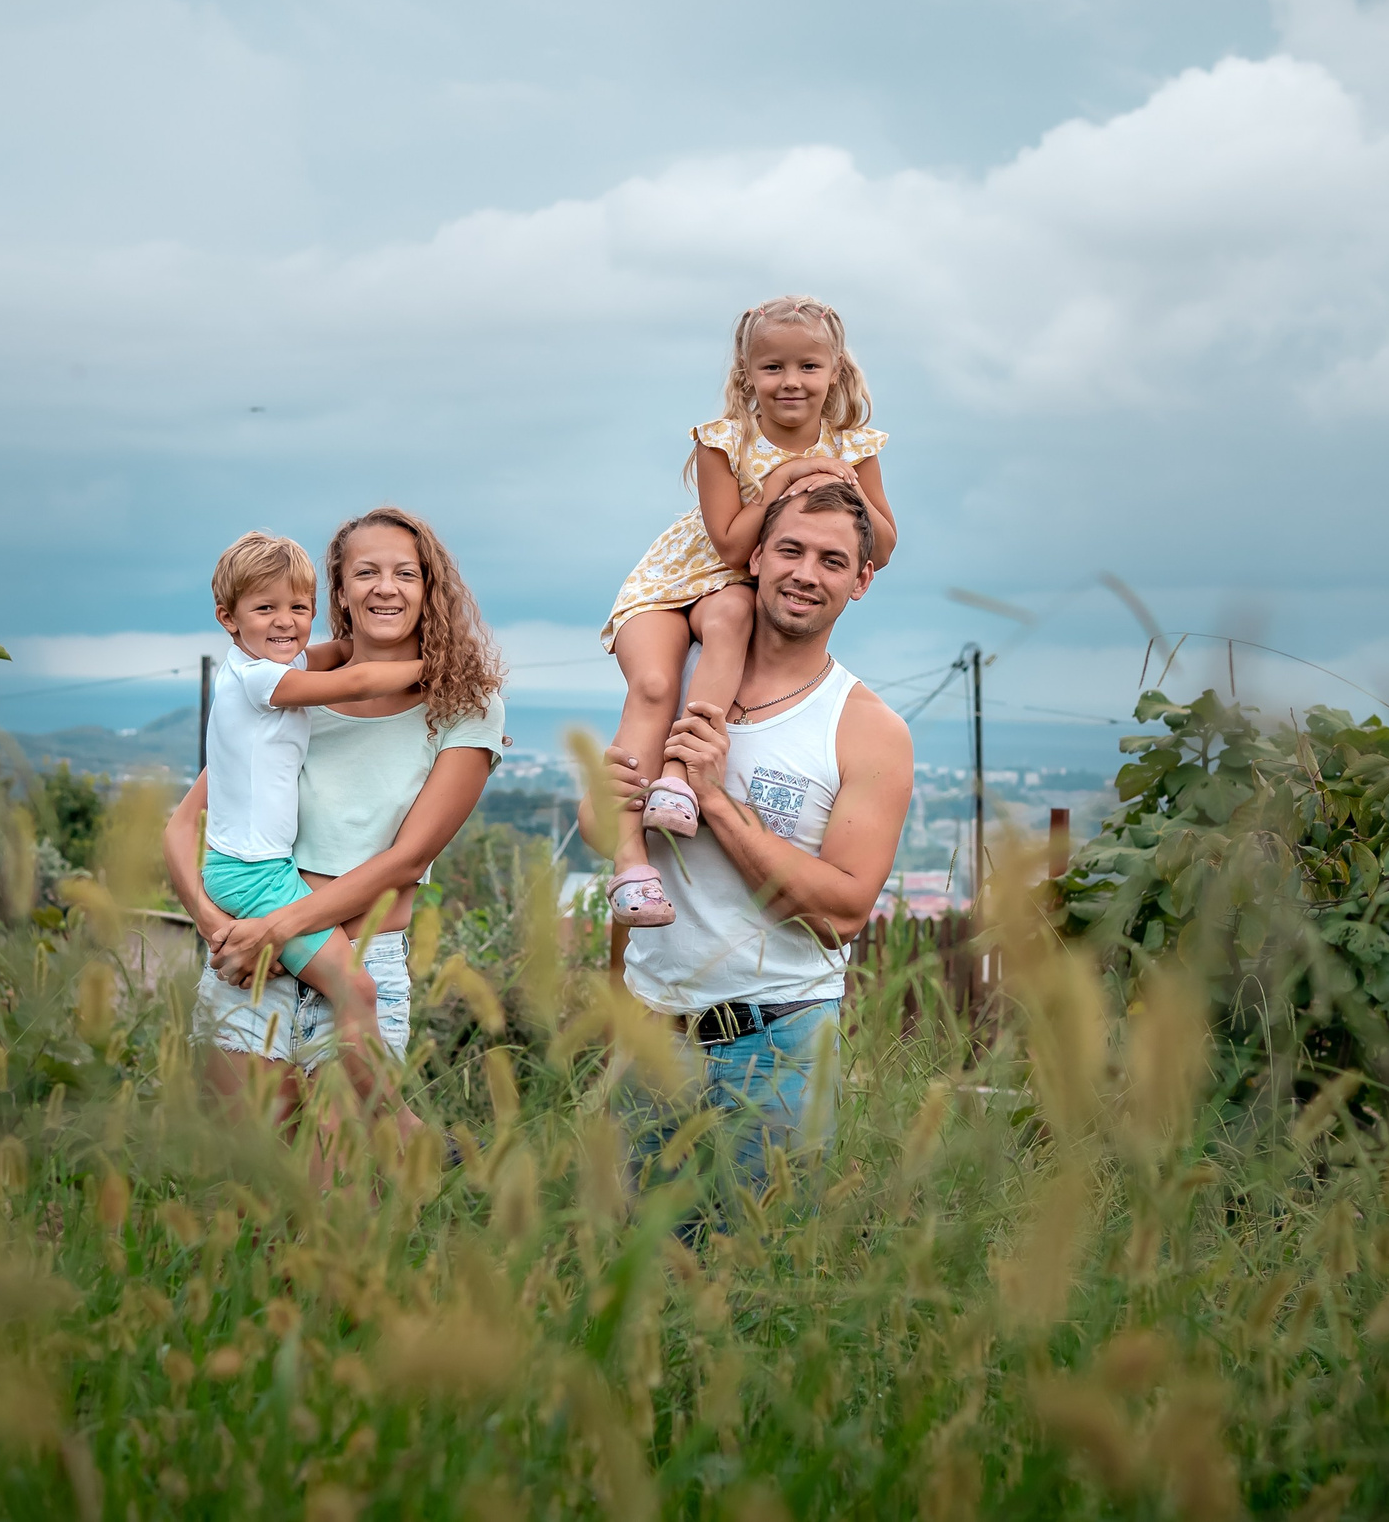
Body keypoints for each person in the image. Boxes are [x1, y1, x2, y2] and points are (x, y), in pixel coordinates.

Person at [583, 479, 913, 1208]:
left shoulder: (866, 729)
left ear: (861, 581)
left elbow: (844, 909)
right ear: (756, 555)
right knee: (630, 1283)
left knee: (760, 1291)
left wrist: (714, 801)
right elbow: (614, 839)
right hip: (649, 1034)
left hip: (779, 1047)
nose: (805, 572)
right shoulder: (673, 679)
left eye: (832, 560)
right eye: (790, 548)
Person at [165, 506, 506, 1109]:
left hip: (355, 964)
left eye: (406, 572)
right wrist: (218, 931)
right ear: (341, 591)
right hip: (253, 967)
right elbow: (183, 825)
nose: (385, 587)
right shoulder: (288, 688)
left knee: (341, 1194)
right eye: (366, 572)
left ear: (430, 587)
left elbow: (408, 860)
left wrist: (275, 928)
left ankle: (415, 1143)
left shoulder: (467, 706)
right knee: (245, 1187)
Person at [597, 296, 898, 929]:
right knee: (653, 686)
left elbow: (884, 543)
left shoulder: (855, 446)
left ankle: (679, 779)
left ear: (836, 372)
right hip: (681, 580)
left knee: (732, 619)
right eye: (772, 368)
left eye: (809, 367)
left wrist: (839, 474)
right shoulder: (724, 443)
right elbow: (733, 543)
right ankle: (628, 864)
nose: (791, 382)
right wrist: (796, 471)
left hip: (733, 593)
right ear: (746, 376)